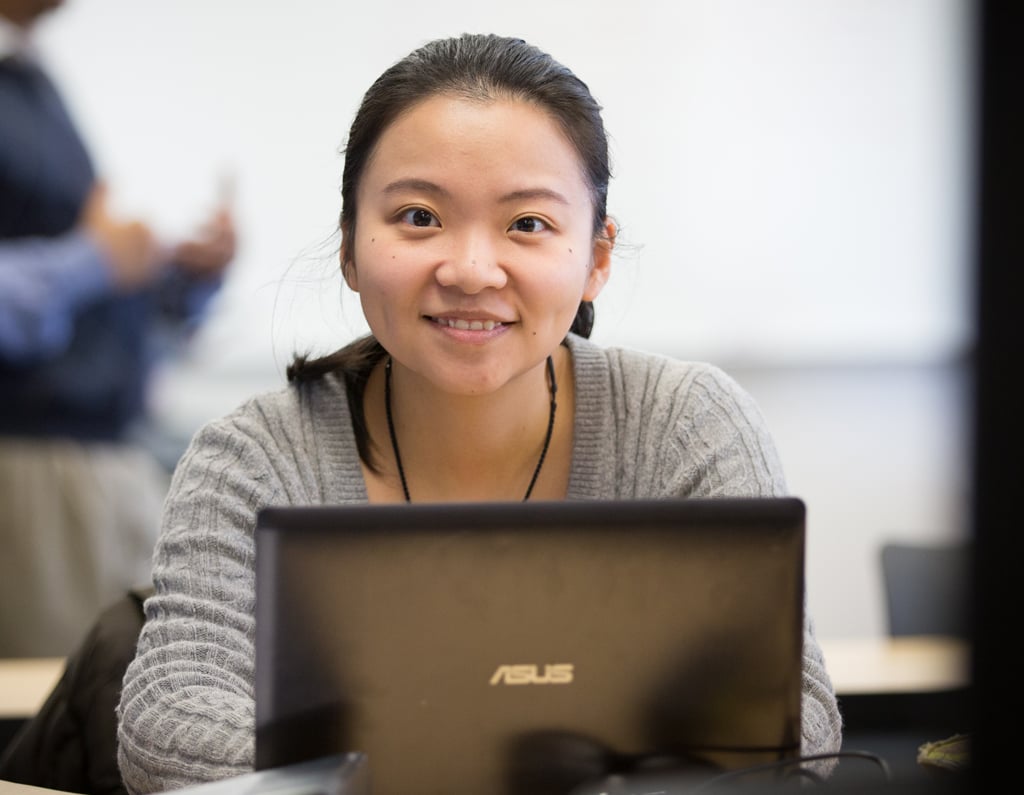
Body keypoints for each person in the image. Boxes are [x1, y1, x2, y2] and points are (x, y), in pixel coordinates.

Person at [116, 32, 843, 794]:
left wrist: (392, 761)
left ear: (596, 257)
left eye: (527, 223)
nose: (469, 269)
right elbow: (167, 730)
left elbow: (795, 725)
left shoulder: (688, 424)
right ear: (350, 249)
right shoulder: (253, 456)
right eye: (419, 217)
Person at [0, 0, 236, 657]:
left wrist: (173, 279)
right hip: (31, 465)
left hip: (95, 461)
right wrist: (95, 260)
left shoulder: (32, 79)